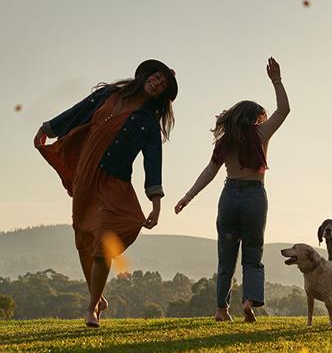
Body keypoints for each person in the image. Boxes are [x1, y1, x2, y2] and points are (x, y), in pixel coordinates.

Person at [34, 60, 178, 327]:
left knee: (103, 243)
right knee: (84, 238)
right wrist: (48, 128)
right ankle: (98, 298)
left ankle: (92, 308)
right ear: (146, 76)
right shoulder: (108, 95)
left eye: (163, 85)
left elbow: (153, 164)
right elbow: (78, 112)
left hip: (115, 183)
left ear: (161, 95)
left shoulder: (148, 123)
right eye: (157, 77)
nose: (157, 83)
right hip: (86, 176)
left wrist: (156, 203)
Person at [175, 57, 289, 323]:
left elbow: (209, 172)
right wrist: (276, 80)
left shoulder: (225, 142)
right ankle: (249, 302)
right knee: (252, 253)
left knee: (226, 258)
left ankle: (221, 310)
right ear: (255, 118)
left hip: (229, 198)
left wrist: (187, 197)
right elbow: (283, 110)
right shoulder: (260, 135)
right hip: (254, 197)